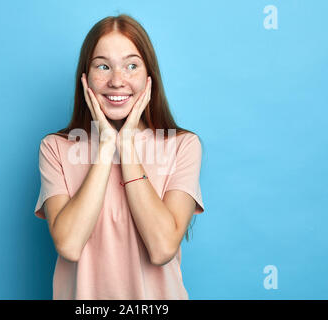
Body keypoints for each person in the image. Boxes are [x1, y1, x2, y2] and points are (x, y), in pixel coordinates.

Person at [34, 14, 205, 300]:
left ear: (149, 77)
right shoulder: (55, 148)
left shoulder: (183, 145)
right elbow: (70, 244)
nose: (117, 81)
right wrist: (105, 147)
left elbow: (162, 248)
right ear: (85, 77)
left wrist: (126, 145)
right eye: (103, 66)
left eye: (131, 66)